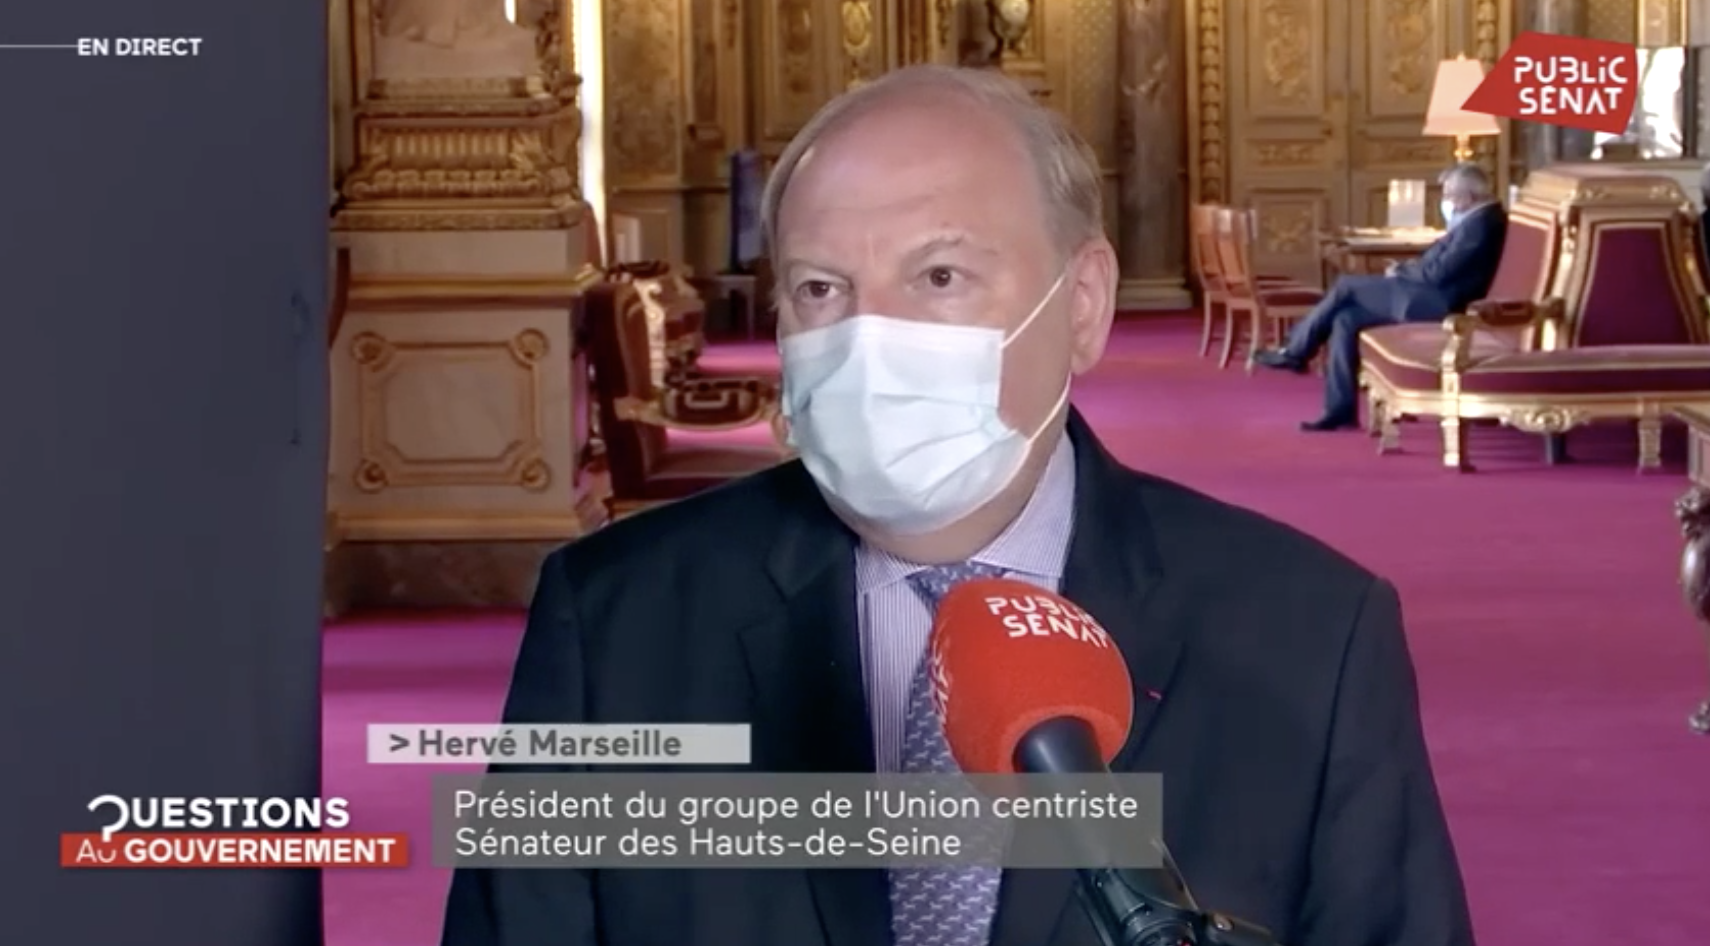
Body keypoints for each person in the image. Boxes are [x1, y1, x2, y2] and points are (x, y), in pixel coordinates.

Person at [441, 65, 1475, 946]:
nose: (869, 337)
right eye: (820, 289)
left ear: (1081, 305)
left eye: (939, 275)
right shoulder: (612, 619)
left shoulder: (1310, 633)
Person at [1253, 163, 1507, 431]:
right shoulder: (1476, 218)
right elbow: (1435, 264)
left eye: (1449, 194)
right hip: (1427, 293)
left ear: (1468, 195)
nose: (1447, 201)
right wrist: (1405, 268)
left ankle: (1295, 352)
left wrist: (1401, 271)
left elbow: (1437, 274)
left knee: (1346, 285)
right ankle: (1339, 410)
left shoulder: (1481, 224)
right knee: (1345, 319)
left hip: (1438, 303)